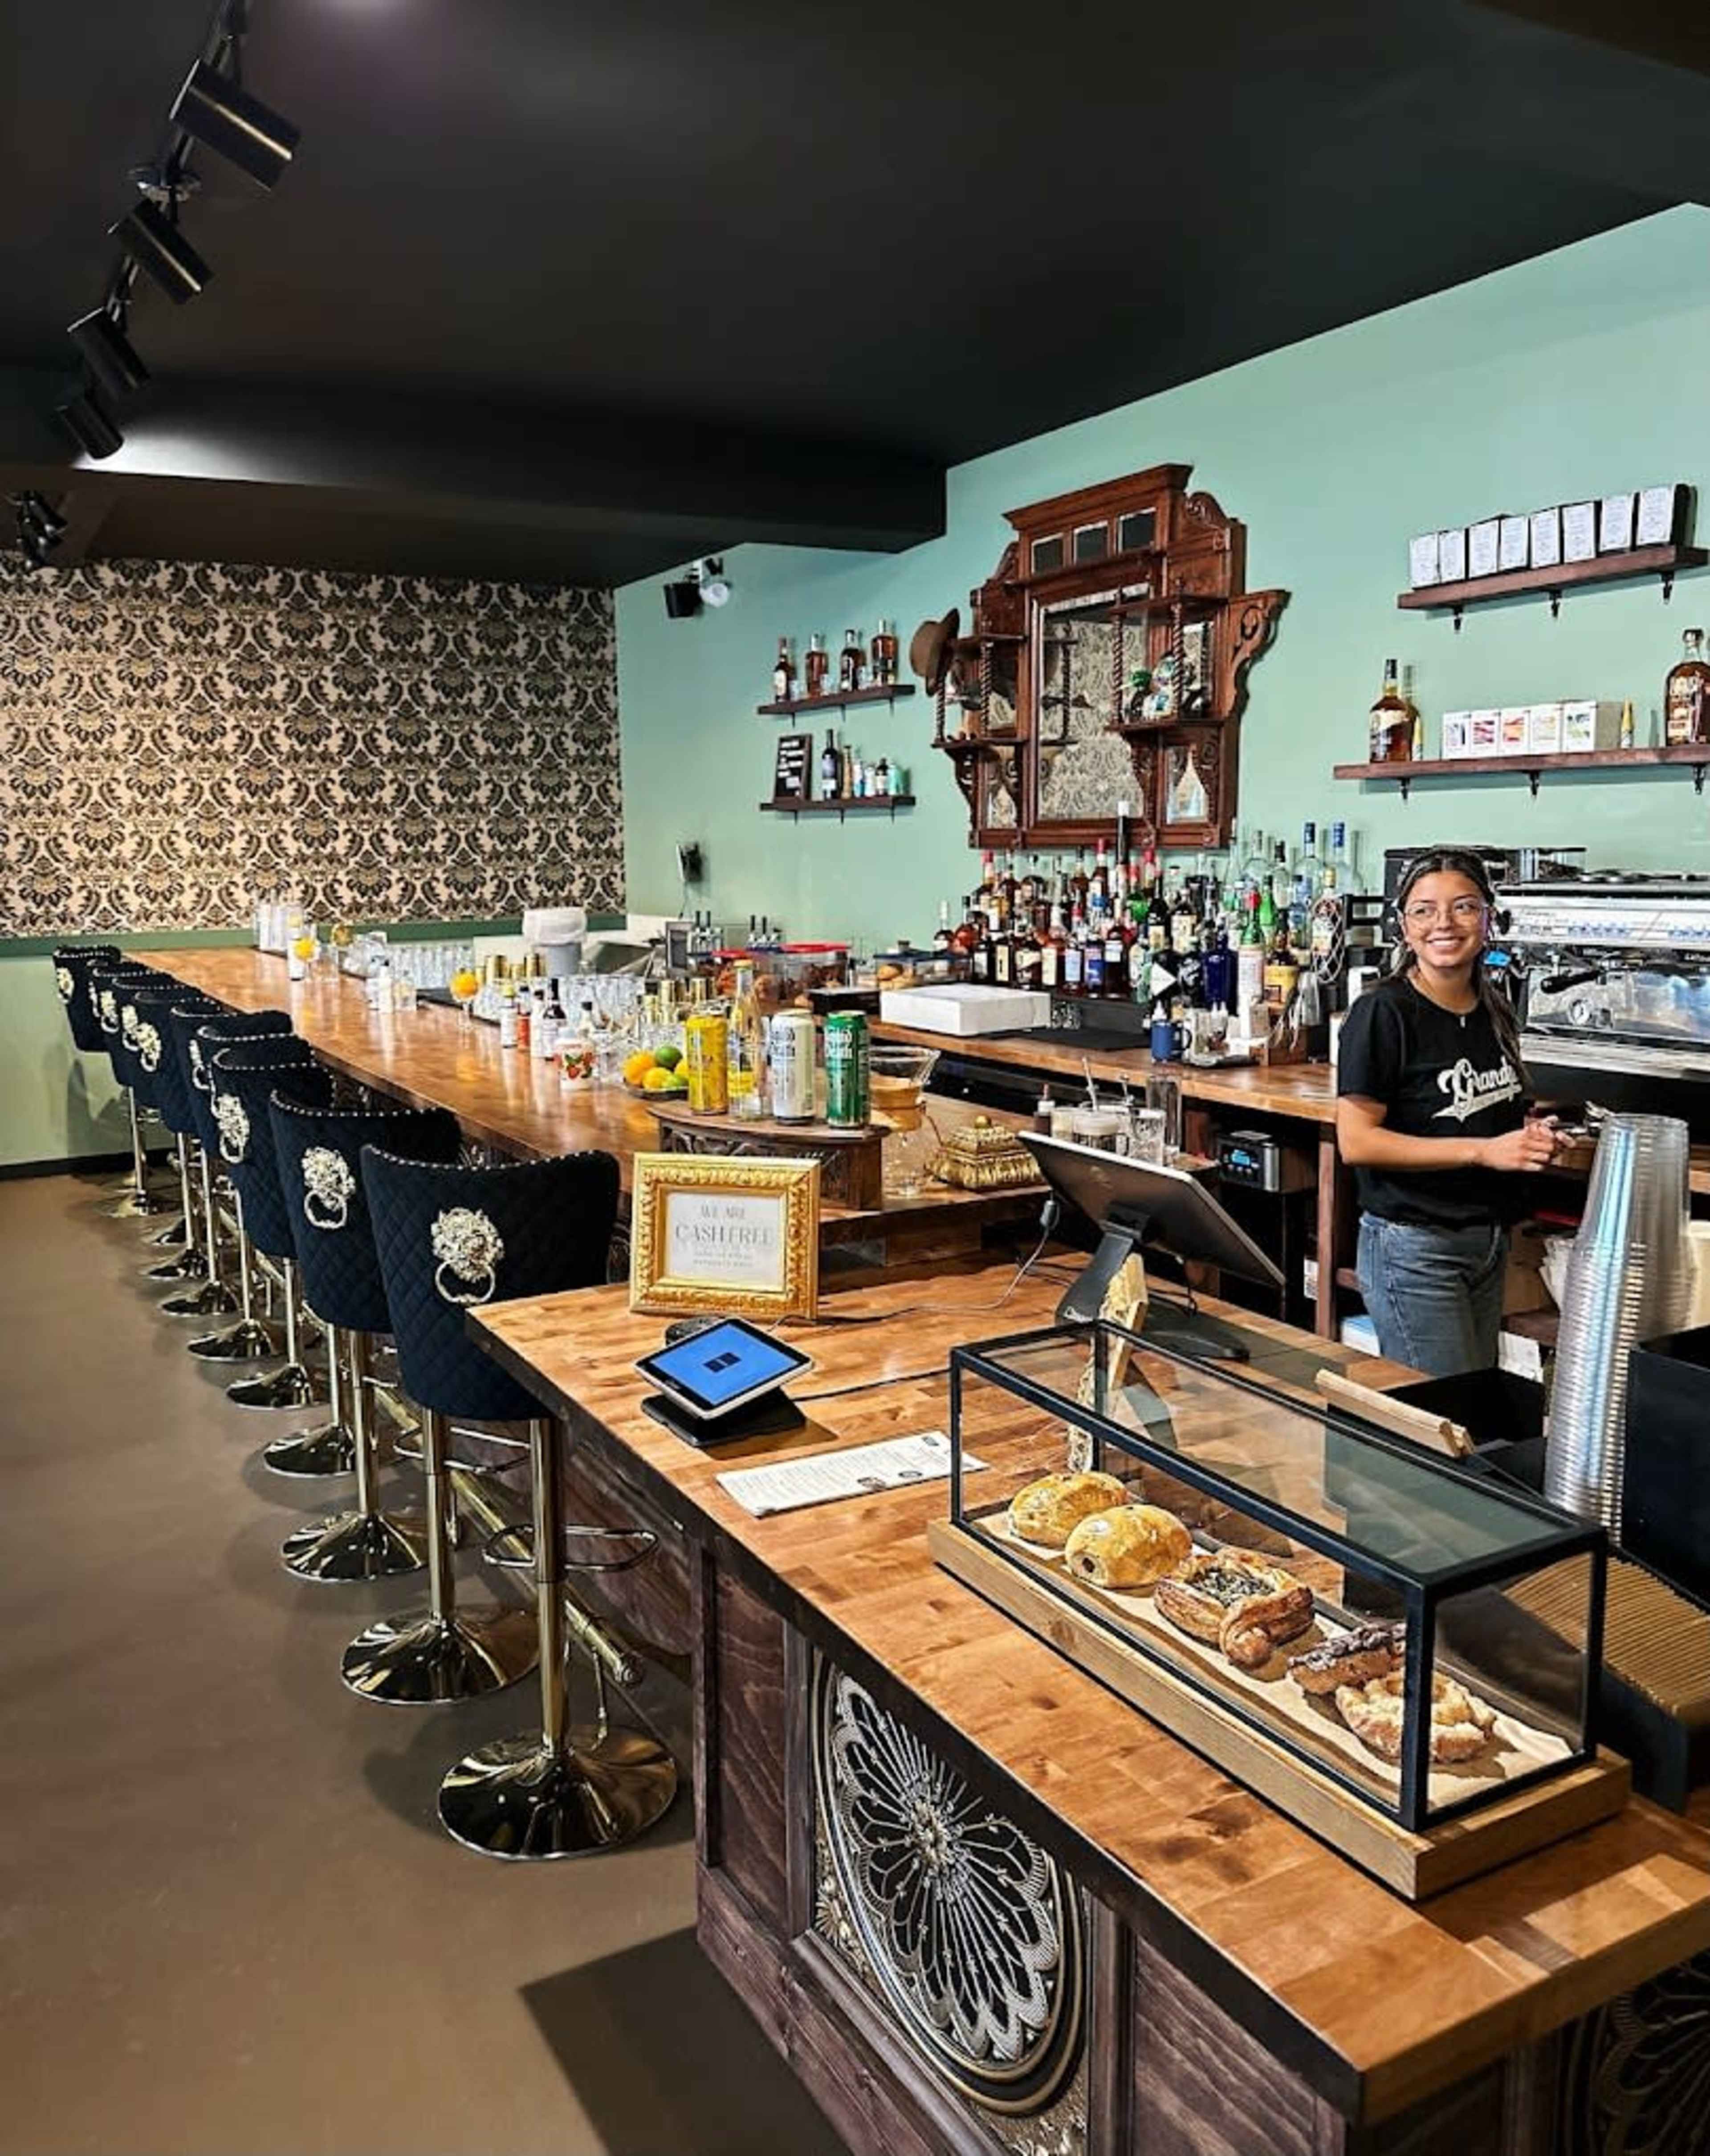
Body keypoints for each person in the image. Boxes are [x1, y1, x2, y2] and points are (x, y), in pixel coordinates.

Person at [1335, 846, 1560, 1375]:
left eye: (1463, 907)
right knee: (1445, 1420)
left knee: (1472, 1413)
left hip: (1485, 1243)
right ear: (1405, 928)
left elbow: (1468, 1111)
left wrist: (1529, 1137)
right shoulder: (1383, 1012)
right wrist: (1485, 1151)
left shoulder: (1494, 1007)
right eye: (1424, 910)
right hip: (1415, 1247)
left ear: (1488, 918)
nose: (1444, 923)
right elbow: (1358, 1141)